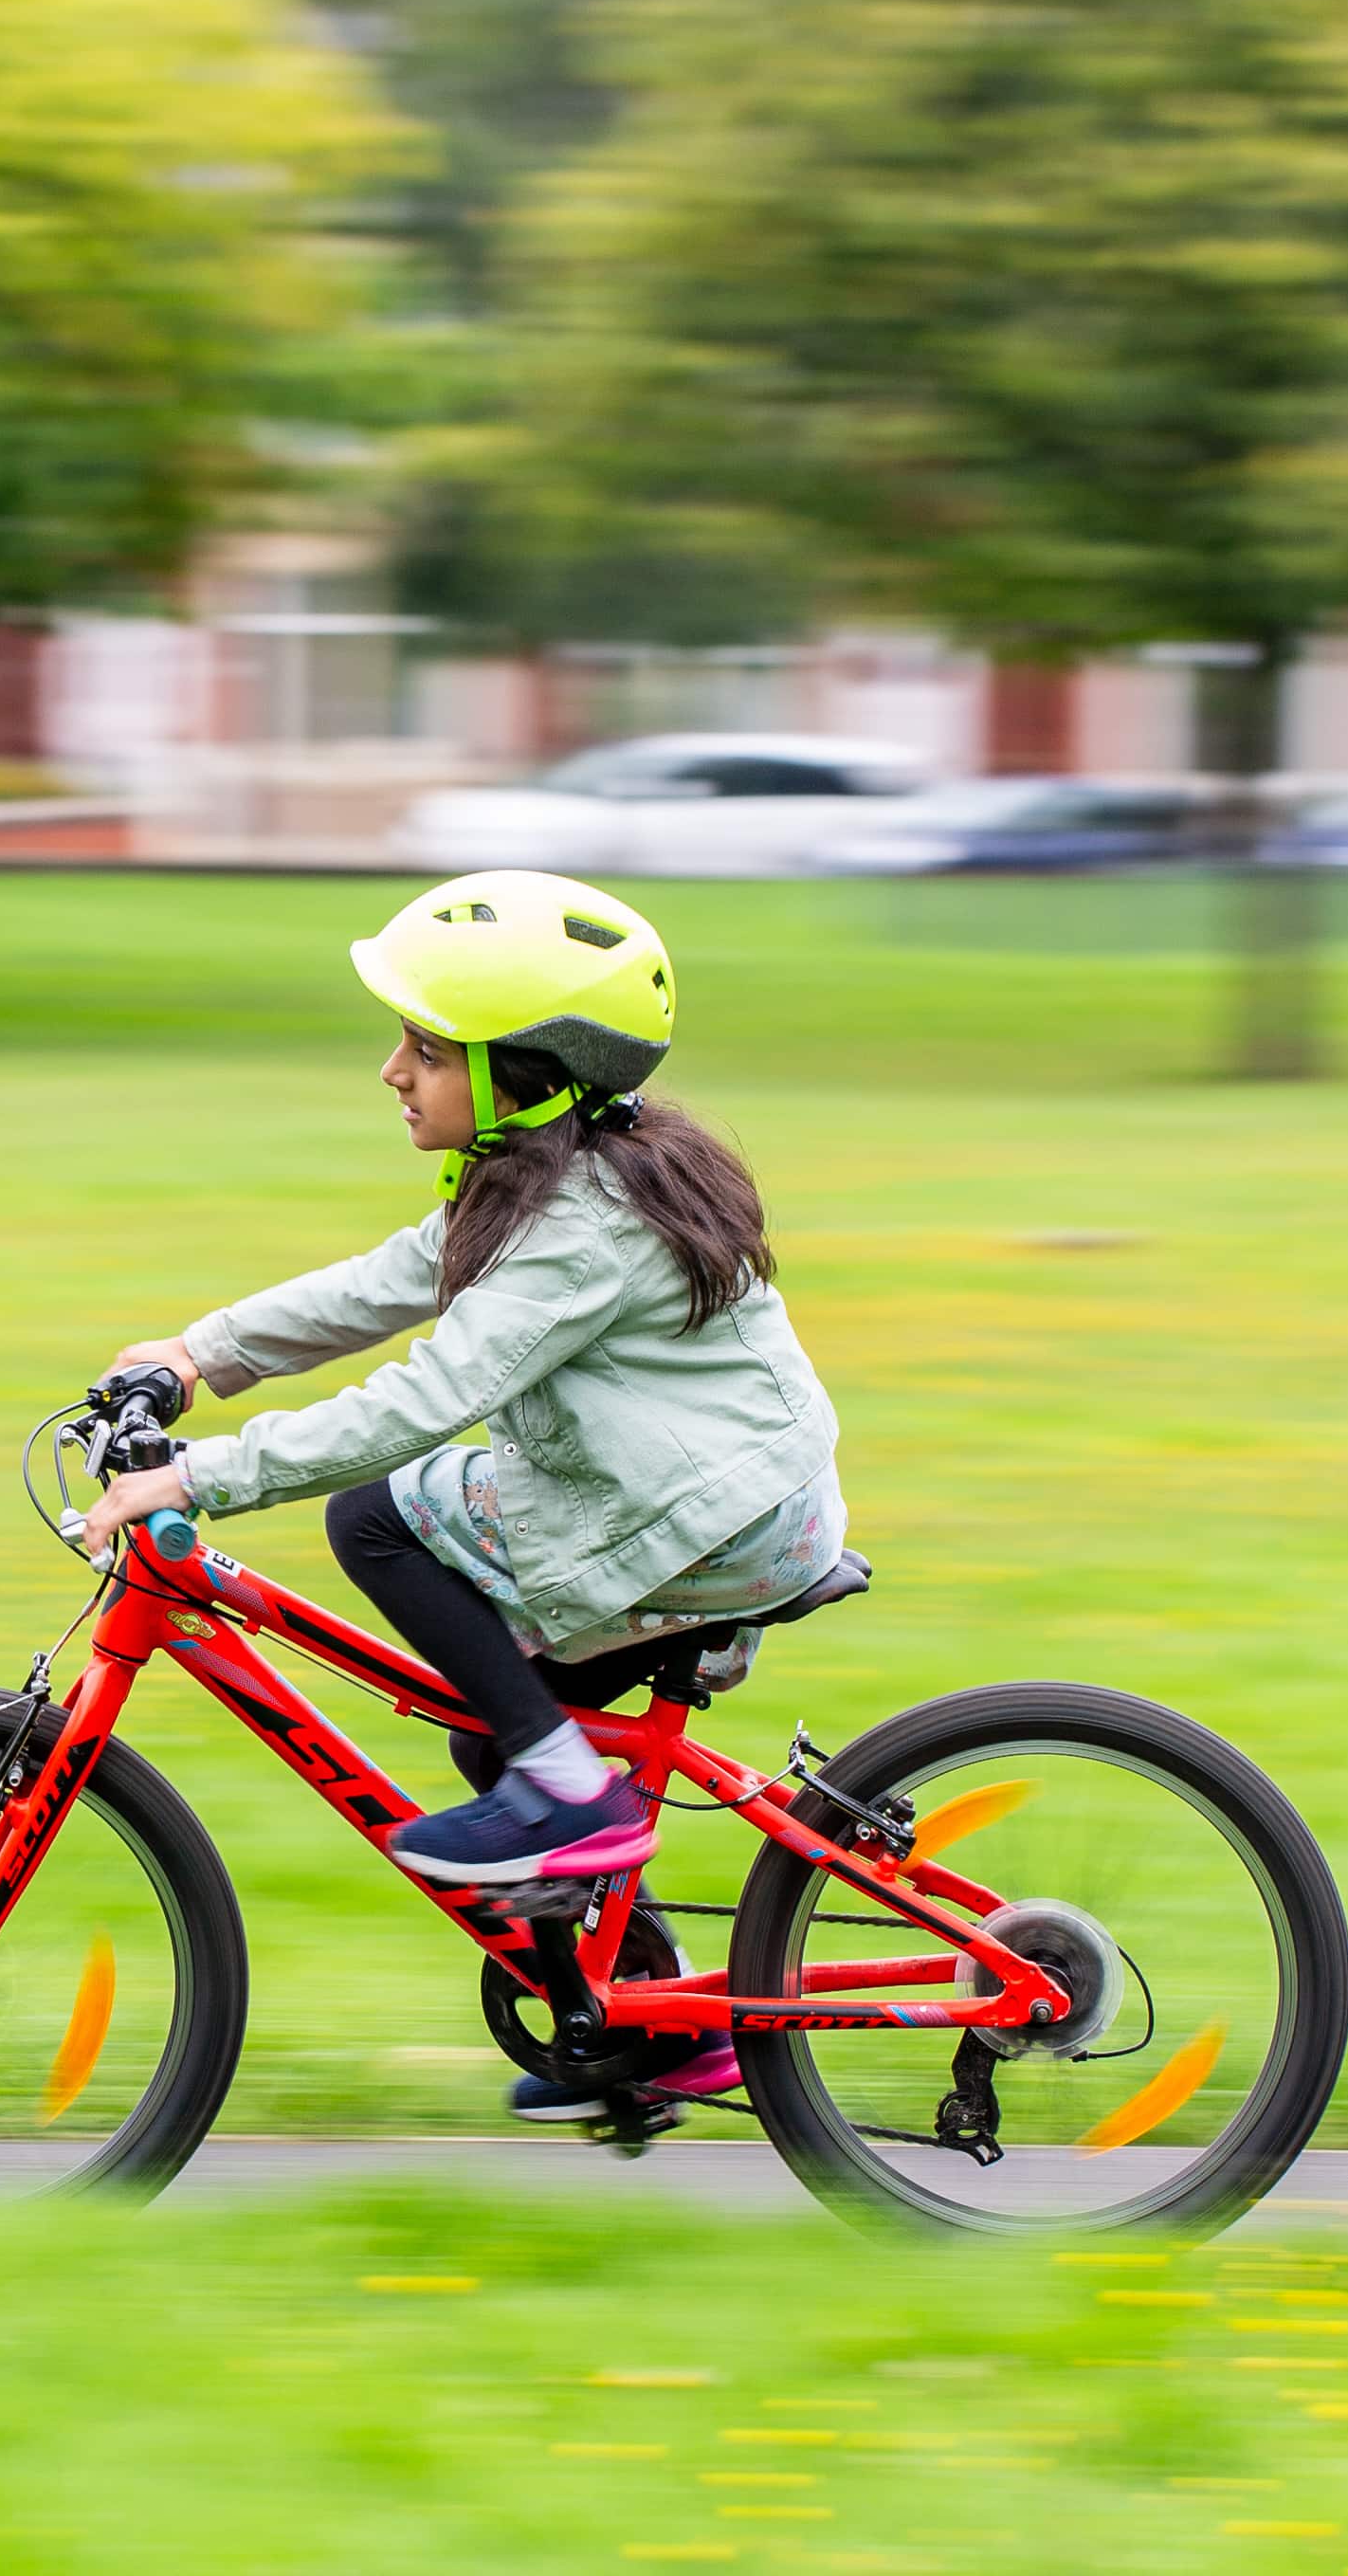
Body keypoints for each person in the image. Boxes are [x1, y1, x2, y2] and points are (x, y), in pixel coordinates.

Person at [86, 870, 844, 2114]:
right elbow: (392, 1279)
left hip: (714, 1524)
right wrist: (196, 1353)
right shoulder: (550, 1174)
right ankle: (657, 2021)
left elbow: (424, 1399)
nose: (393, 1071)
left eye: (426, 1049)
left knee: (376, 1513)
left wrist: (202, 1475)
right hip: (705, 1504)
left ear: (532, 1075)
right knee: (487, 1722)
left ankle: (570, 1800)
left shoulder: (579, 1236)